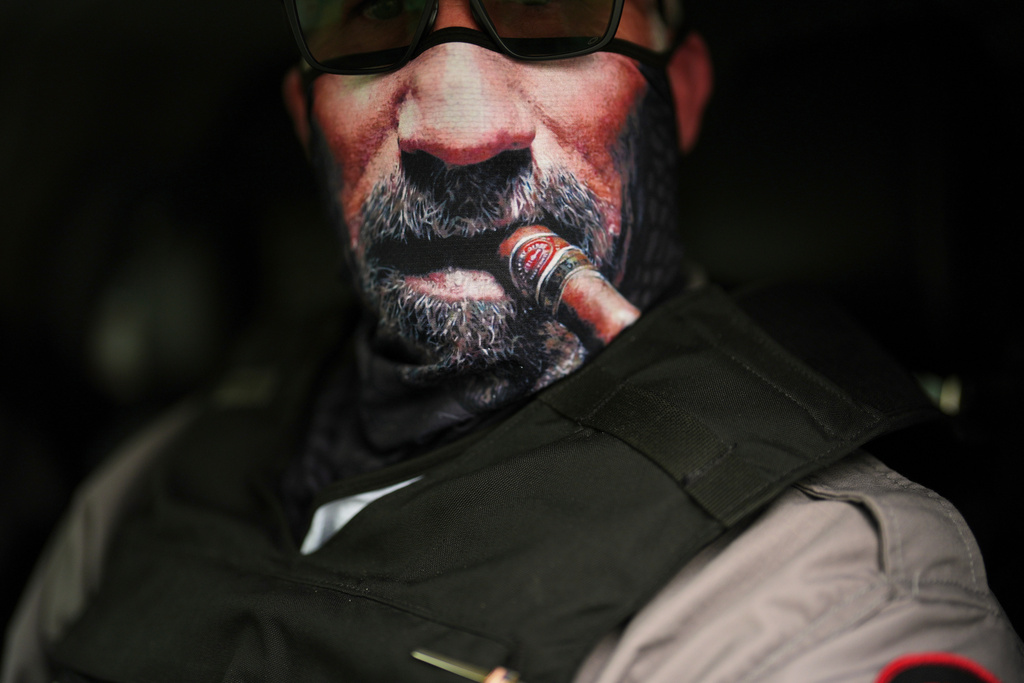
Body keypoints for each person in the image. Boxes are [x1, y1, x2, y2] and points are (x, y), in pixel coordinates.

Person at [3, 0, 1022, 681]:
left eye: (548, 7)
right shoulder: (160, 472)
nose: (454, 125)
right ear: (308, 127)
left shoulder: (820, 584)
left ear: (685, 90)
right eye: (372, 13)